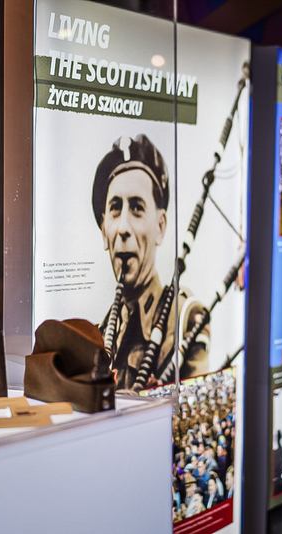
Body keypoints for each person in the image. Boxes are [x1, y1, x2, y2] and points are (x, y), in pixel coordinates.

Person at [92, 135, 209, 389]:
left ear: (160, 227)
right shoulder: (97, 338)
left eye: (137, 208)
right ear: (104, 231)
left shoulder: (184, 320)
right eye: (115, 208)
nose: (123, 228)